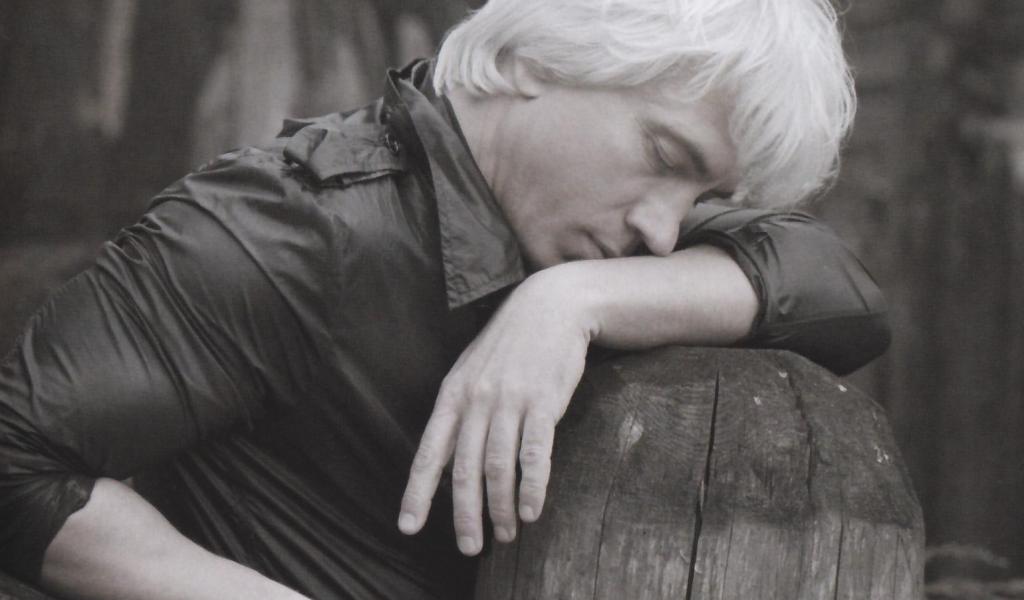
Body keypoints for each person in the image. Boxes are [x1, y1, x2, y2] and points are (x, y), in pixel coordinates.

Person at [0, 0, 886, 598]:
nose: (664, 231)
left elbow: (837, 289)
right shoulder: (286, 226)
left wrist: (573, 300)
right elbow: (13, 462)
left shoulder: (596, 231)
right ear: (536, 60)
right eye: (664, 156)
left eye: (703, 197)